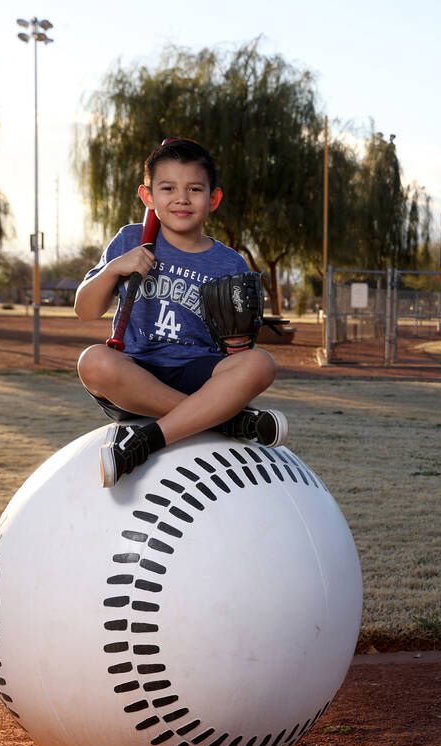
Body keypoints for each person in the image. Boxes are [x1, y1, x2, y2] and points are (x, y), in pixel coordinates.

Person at [75, 138, 286, 488]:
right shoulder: (131, 239)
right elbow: (85, 311)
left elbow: (238, 353)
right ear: (148, 197)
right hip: (136, 373)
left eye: (194, 188)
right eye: (168, 188)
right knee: (92, 361)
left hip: (197, 371)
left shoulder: (229, 262)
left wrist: (238, 343)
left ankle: (146, 442)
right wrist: (114, 268)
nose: (181, 198)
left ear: (213, 199)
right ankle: (223, 421)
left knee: (261, 363)